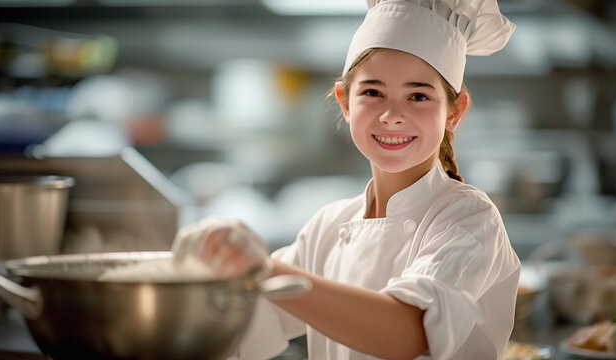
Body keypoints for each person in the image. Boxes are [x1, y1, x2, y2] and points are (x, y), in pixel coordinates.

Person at [172, 0, 521, 358]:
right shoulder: (329, 226)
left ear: (455, 111)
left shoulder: (468, 218)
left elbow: (407, 332)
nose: (392, 116)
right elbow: (250, 316)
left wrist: (262, 268)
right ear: (345, 102)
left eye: (418, 95)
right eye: (373, 92)